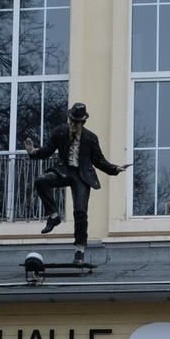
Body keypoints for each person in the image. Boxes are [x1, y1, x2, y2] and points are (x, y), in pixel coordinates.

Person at [24, 103, 125, 258]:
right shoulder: (59, 132)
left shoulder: (91, 138)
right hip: (64, 171)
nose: (73, 125)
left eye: (77, 123)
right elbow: (48, 150)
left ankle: (80, 248)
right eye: (72, 121)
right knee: (41, 181)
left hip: (82, 176)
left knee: (80, 211)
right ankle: (53, 216)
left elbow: (98, 161)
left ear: (82, 123)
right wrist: (33, 152)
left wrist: (114, 169)